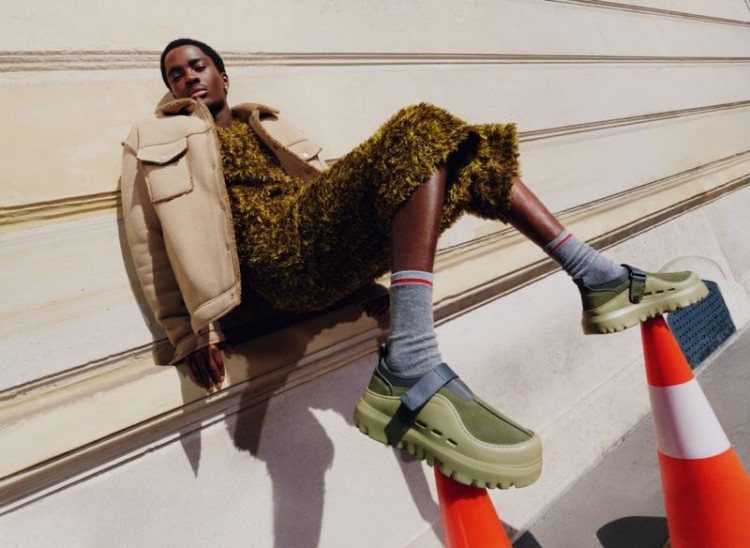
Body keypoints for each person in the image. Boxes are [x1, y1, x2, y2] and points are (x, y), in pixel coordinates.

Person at [120, 38, 708, 489]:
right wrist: (189, 331)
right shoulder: (155, 139)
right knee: (420, 127)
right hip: (275, 258)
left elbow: (329, 206)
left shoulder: (269, 124)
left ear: (222, 75)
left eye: (198, 66)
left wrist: (362, 285)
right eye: (175, 74)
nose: (188, 77)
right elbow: (149, 240)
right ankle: (414, 356)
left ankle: (595, 275)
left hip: (309, 242)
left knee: (465, 152)